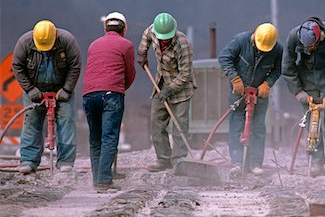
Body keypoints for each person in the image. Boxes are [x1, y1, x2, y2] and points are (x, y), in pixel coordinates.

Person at [12, 20, 81, 174]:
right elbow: (17, 67)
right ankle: (28, 160)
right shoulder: (25, 43)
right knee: (31, 123)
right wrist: (30, 89)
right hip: (35, 90)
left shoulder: (67, 41)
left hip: (61, 90)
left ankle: (65, 161)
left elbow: (75, 66)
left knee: (66, 122)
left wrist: (67, 90)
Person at [282, 17, 325, 177]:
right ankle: (317, 161)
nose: (310, 49)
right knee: (312, 123)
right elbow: (287, 67)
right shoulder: (293, 37)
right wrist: (298, 92)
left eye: (313, 46)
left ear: (320, 38)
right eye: (307, 47)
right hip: (307, 83)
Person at [218, 23, 282, 175]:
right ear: (254, 37)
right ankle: (237, 162)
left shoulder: (277, 49)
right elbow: (224, 58)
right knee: (236, 126)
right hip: (238, 91)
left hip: (260, 93)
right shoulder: (240, 41)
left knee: (258, 127)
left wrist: (268, 83)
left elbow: (277, 69)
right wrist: (235, 79)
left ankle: (255, 164)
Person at [82, 12, 136, 193]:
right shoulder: (126, 45)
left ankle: (97, 177)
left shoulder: (93, 45)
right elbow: (130, 73)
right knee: (109, 137)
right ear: (124, 29)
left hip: (89, 95)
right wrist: (120, 87)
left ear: (105, 28)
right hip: (111, 94)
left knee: (95, 138)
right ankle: (105, 179)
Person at [137, 12, 196, 172]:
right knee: (156, 124)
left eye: (167, 38)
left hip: (181, 90)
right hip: (161, 83)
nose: (164, 40)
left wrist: (170, 90)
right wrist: (142, 53)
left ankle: (179, 160)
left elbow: (186, 74)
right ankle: (163, 159)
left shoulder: (183, 44)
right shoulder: (153, 31)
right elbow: (145, 36)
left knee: (180, 127)